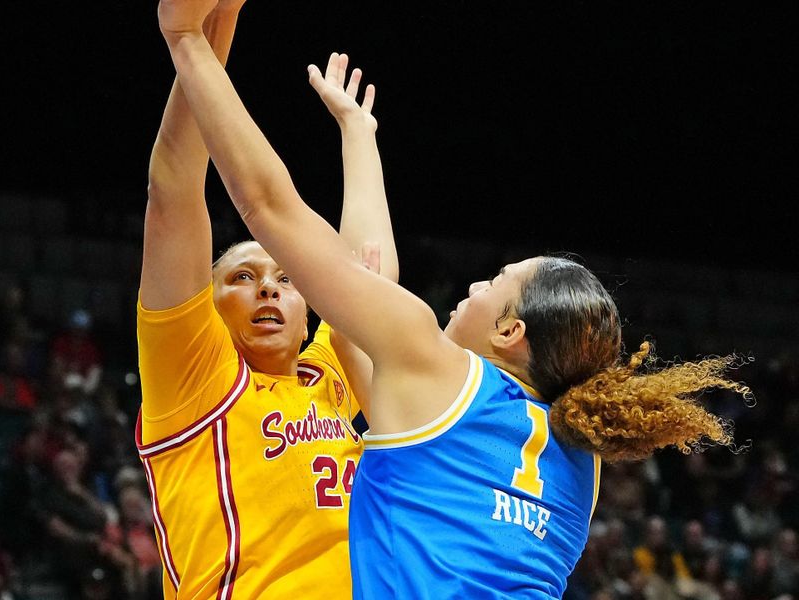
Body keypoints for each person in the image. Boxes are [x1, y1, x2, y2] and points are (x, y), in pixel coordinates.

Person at [155, 1, 752, 597]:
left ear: (509, 331)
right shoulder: (580, 450)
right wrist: (359, 137)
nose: (472, 287)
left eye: (493, 283)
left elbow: (267, 204)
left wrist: (184, 37)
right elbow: (366, 283)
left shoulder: (437, 372)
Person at [139, 1, 396, 598]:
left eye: (284, 277)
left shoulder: (327, 377)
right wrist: (202, 40)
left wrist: (359, 136)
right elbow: (172, 194)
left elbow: (369, 275)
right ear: (208, 306)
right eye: (243, 277)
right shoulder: (194, 378)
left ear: (310, 311)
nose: (269, 288)